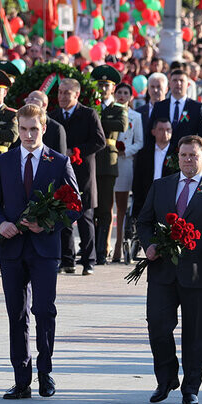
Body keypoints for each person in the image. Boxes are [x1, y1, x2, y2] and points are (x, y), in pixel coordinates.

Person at [136, 135, 202, 404]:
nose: (188, 160)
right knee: (157, 325)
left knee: (195, 332)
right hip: (162, 271)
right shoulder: (161, 186)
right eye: (183, 155)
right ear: (177, 157)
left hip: (200, 274)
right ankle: (166, 378)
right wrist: (149, 245)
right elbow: (144, 221)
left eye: (193, 155)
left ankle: (191, 385)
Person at [0, 104, 80, 399]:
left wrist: (47, 223)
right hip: (13, 249)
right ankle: (21, 378)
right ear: (17, 128)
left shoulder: (58, 161)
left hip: (44, 250)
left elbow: (75, 205)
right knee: (17, 314)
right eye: (23, 129)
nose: (28, 135)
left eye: (34, 129)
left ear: (43, 128)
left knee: (44, 311)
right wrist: (1, 224)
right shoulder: (4, 161)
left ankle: (45, 373)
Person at [49, 78, 105, 275]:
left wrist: (77, 151)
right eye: (60, 92)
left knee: (85, 217)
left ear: (76, 95)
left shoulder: (88, 114)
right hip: (62, 174)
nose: (62, 96)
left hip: (83, 173)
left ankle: (89, 260)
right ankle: (67, 260)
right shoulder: (53, 116)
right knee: (63, 217)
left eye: (67, 93)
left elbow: (100, 141)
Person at [93, 66, 129, 266]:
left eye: (106, 85)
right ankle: (91, 247)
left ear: (113, 88)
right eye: (100, 84)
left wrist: (98, 120)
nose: (103, 88)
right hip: (91, 160)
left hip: (108, 161)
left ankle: (101, 250)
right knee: (91, 207)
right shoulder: (93, 106)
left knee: (106, 208)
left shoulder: (118, 109)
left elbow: (120, 125)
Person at [110, 82, 145, 263]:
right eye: (119, 92)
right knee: (107, 206)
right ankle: (106, 244)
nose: (122, 95)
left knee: (122, 207)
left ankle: (119, 245)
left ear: (131, 97)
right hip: (109, 163)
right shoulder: (107, 111)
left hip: (125, 163)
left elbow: (139, 142)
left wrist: (126, 150)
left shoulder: (135, 116)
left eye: (125, 93)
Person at [150, 68, 202, 145]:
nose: (178, 83)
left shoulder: (197, 108)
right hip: (163, 153)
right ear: (169, 83)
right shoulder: (159, 106)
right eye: (175, 80)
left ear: (188, 84)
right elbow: (151, 132)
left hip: (187, 154)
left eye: (181, 81)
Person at [24, 90, 68, 156]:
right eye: (27, 99)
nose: (28, 102)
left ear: (44, 104)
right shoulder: (21, 125)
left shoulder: (56, 128)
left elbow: (60, 158)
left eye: (32, 99)